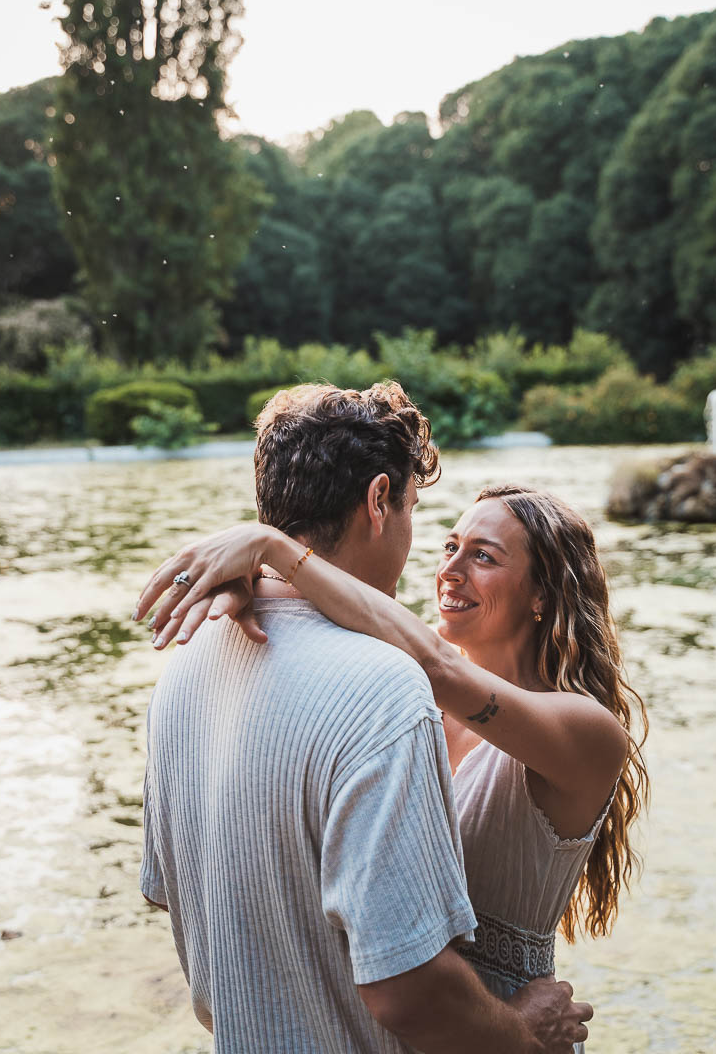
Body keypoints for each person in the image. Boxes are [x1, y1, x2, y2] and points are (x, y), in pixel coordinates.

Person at [137, 382, 592, 1053]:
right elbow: (407, 991)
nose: (443, 568)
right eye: (420, 518)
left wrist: (268, 553)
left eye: (483, 554)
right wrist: (523, 1031)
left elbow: (179, 903)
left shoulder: (184, 669)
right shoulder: (386, 691)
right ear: (380, 501)